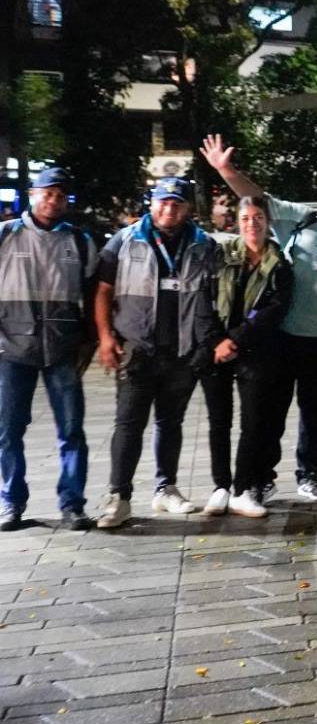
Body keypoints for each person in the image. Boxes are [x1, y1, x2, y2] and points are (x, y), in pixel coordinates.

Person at [199, 134, 317, 503]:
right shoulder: (300, 220)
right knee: (272, 412)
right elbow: (257, 199)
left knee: (314, 414)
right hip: (284, 338)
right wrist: (225, 170)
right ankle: (262, 477)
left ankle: (309, 475)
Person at [94, 177, 216, 528]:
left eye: (177, 202)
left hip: (180, 352)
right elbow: (102, 291)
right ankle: (119, 497)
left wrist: (202, 344)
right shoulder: (125, 240)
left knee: (171, 423)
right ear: (152, 204)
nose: (169, 208)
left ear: (188, 208)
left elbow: (211, 296)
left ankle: (166, 488)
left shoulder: (202, 245)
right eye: (164, 201)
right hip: (137, 349)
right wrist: (105, 336)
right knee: (128, 424)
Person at [0, 168, 98, 531]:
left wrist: (90, 342)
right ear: (32, 194)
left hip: (62, 349)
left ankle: (72, 504)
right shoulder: (6, 235)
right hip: (11, 350)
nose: (53, 200)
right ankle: (12, 502)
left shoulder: (79, 240)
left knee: (72, 430)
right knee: (8, 431)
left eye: (60, 195)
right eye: (47, 193)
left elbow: (92, 295)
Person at [197, 195, 293, 518]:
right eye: (246, 218)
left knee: (254, 421)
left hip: (254, 350)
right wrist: (215, 340)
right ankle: (220, 486)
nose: (252, 224)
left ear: (267, 222)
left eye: (258, 218)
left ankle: (243, 487)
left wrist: (234, 340)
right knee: (218, 420)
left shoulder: (279, 264)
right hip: (215, 348)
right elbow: (202, 299)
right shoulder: (219, 255)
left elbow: (274, 310)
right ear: (237, 223)